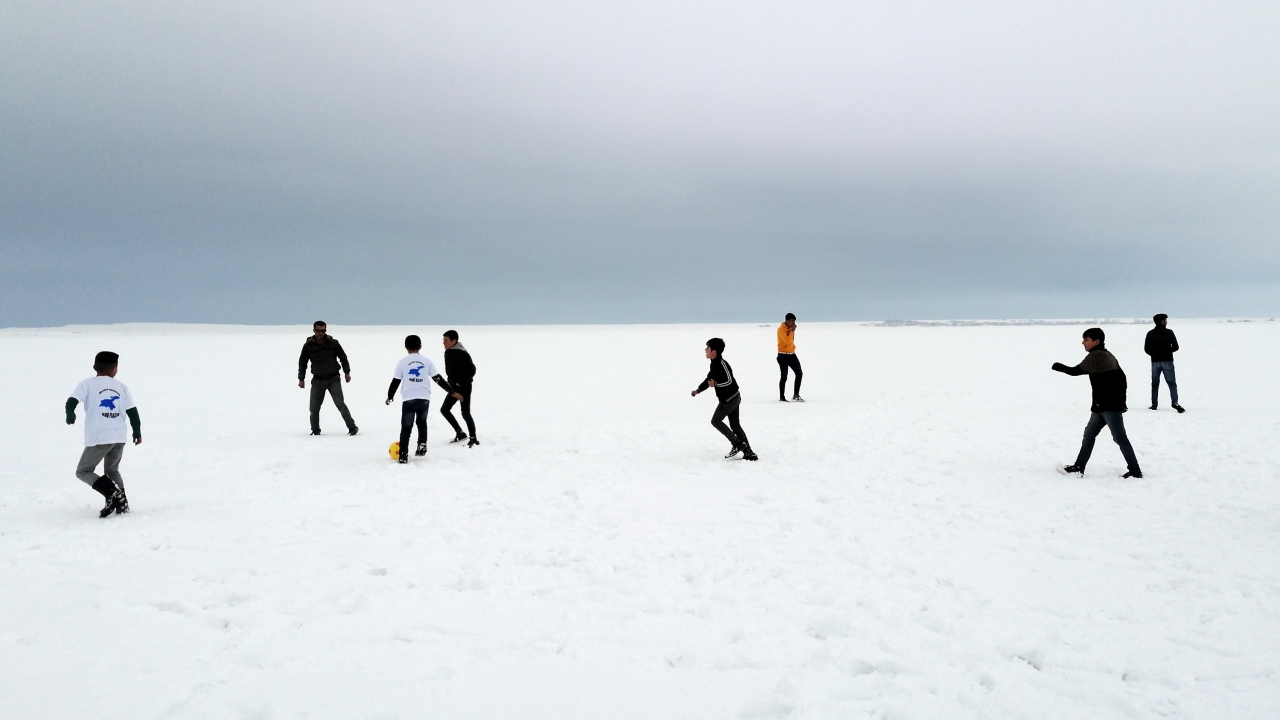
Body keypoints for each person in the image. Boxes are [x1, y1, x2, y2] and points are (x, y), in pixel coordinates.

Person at [1053, 327, 1142, 478]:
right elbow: (1123, 378)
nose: (1083, 342)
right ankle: (1079, 466)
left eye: (1086, 340)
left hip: (1109, 407)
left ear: (1096, 341)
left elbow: (1075, 371)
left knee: (1120, 438)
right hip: (1102, 406)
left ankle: (1135, 471)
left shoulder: (1097, 355)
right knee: (1089, 435)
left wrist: (1057, 366)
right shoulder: (1107, 355)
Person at [65, 351, 141, 517]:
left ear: (95, 367)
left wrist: (70, 414)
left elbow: (71, 401)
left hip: (100, 437)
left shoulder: (86, 384)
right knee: (112, 471)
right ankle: (122, 503)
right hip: (119, 436)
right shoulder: (121, 386)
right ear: (114, 369)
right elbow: (132, 411)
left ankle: (111, 493)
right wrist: (137, 431)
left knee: (83, 471)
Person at [385, 335, 453, 463]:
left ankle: (403, 455)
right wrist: (450, 390)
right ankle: (422, 446)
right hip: (424, 398)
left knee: (406, 427)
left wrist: (390, 396)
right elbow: (437, 378)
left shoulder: (402, 362)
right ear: (420, 346)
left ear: (406, 347)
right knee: (421, 422)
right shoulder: (427, 361)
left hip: (408, 398)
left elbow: (396, 381)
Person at [691, 338, 757, 461]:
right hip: (730, 399)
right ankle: (749, 452)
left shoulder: (722, 363)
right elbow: (709, 379)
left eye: (707, 348)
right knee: (735, 425)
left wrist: (715, 384)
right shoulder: (714, 363)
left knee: (716, 421)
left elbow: (729, 380)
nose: (705, 350)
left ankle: (737, 444)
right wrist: (698, 390)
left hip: (731, 399)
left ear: (714, 351)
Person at [297, 321, 358, 436]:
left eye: (323, 331)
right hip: (317, 380)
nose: (321, 333)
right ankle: (315, 430)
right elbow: (302, 362)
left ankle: (352, 427)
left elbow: (343, 357)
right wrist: (301, 378)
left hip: (333, 378)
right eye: (318, 331)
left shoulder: (333, 343)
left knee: (340, 404)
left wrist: (347, 372)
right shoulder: (308, 345)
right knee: (314, 408)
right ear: (314, 331)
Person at [440, 330, 479, 447]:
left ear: (454, 341)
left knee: (465, 413)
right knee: (444, 410)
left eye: (446, 340)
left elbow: (472, 370)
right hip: (453, 388)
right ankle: (460, 432)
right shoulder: (447, 352)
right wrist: (451, 384)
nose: (444, 343)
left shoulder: (462, 353)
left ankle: (473, 438)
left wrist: (460, 383)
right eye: (443, 340)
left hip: (464, 387)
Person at [1144, 313, 1184, 413]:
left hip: (1155, 362)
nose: (1166, 322)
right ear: (1162, 321)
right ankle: (1175, 402)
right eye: (1165, 320)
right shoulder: (1169, 332)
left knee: (1155, 384)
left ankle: (1154, 405)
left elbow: (1146, 349)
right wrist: (1167, 351)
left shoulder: (1150, 333)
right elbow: (1176, 347)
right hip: (1168, 361)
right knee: (1172, 383)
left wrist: (1154, 354)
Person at [777, 312, 804, 402]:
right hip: (782, 355)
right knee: (784, 376)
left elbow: (791, 342)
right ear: (787, 320)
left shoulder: (790, 329)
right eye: (792, 321)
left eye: (794, 321)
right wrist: (792, 331)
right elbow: (787, 341)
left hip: (791, 355)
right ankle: (782, 397)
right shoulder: (781, 329)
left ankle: (796, 395)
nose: (793, 323)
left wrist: (791, 331)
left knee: (799, 373)